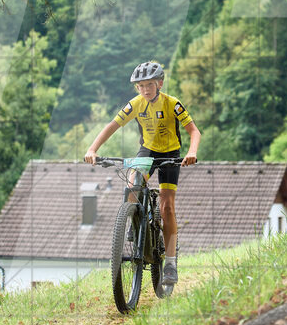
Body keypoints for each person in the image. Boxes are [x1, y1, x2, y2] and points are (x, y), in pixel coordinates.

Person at [85, 61, 200, 285]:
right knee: (132, 185)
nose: (146, 90)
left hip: (170, 153)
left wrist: (191, 152)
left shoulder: (172, 104)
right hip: (147, 151)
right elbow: (112, 126)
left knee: (167, 206)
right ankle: (132, 221)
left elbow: (194, 131)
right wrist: (92, 149)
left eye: (149, 85)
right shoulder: (136, 104)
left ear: (159, 84)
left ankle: (170, 262)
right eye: (141, 86)